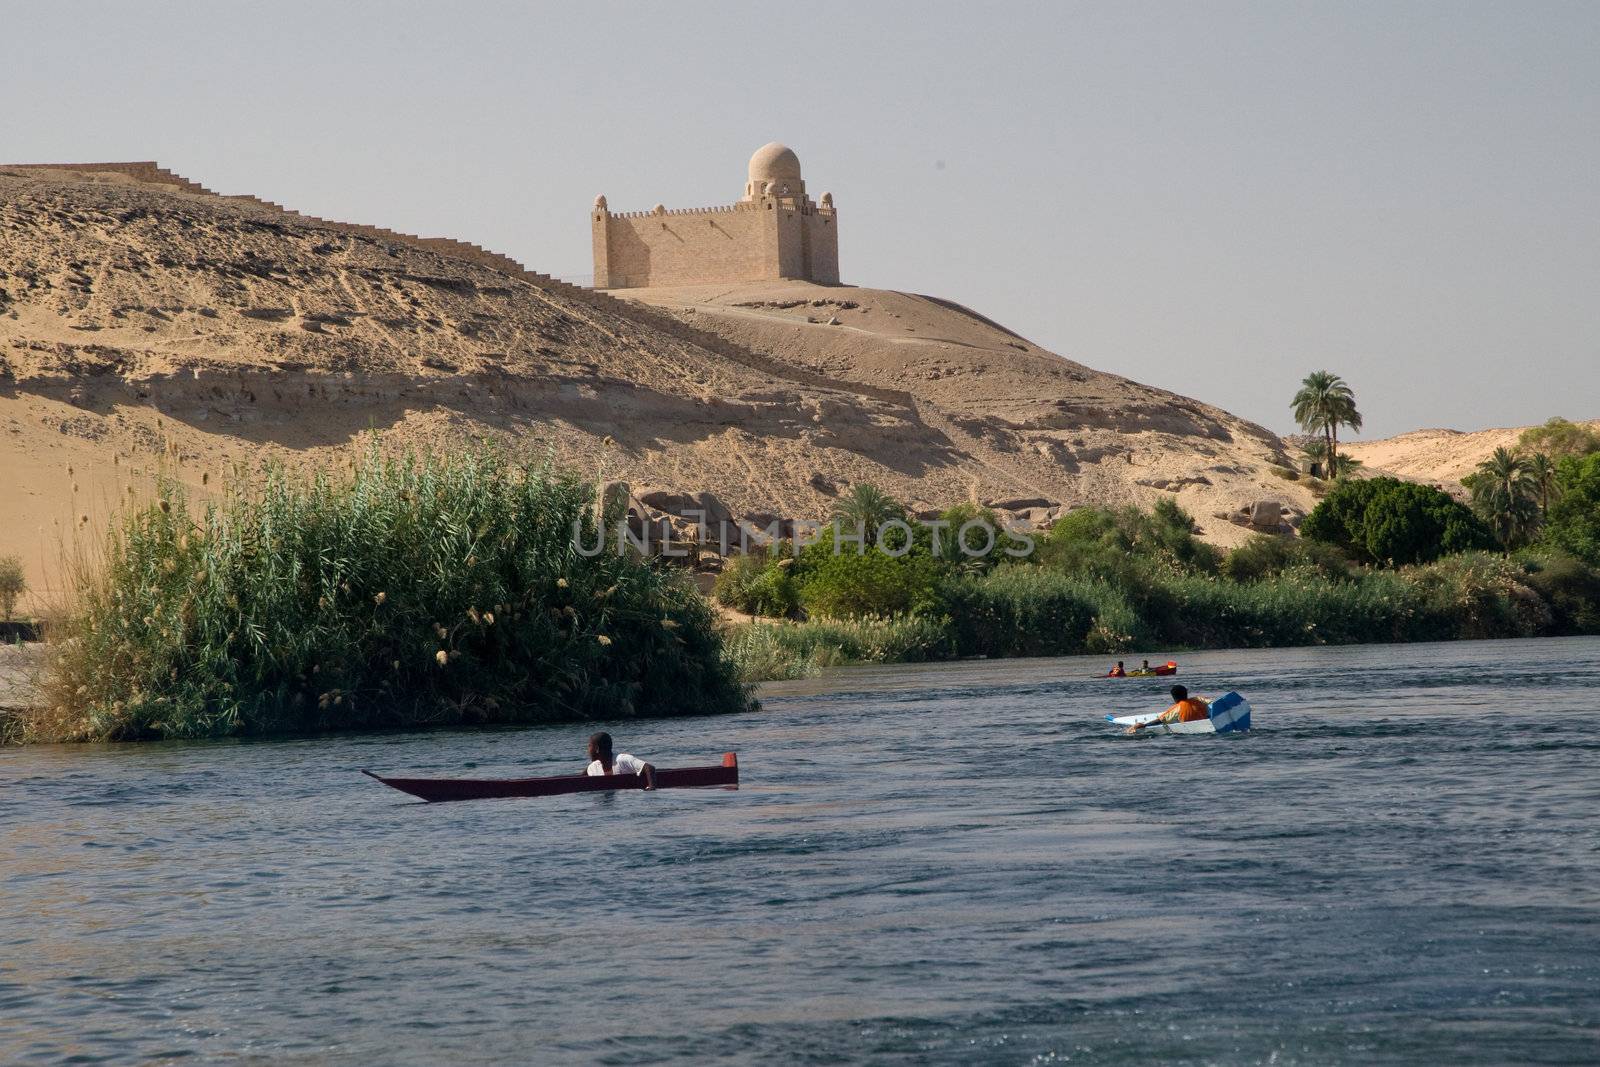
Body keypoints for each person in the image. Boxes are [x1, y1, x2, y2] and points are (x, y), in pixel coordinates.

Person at [586, 731, 657, 790]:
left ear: (597, 749)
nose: (588, 751)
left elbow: (649, 768)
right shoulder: (592, 768)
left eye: (589, 746)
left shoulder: (622, 759)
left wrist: (651, 787)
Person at [1126, 685, 1210, 734]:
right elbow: (1213, 703)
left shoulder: (1177, 708)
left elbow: (1160, 720)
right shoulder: (1198, 699)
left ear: (1174, 698)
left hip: (1192, 731)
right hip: (1207, 725)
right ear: (1186, 693)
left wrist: (1144, 725)